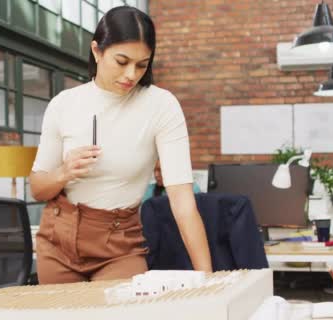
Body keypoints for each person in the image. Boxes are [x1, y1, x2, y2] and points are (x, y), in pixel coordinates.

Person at [29, 6, 212, 284]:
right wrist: (64, 172)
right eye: (122, 61)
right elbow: (38, 188)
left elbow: (183, 204)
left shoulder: (161, 106)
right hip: (58, 241)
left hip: (119, 246)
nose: (131, 74)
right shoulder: (64, 104)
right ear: (97, 51)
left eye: (142, 64)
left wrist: (207, 280)